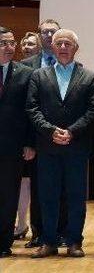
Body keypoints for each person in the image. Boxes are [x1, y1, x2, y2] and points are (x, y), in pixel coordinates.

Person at [26, 29, 94, 258]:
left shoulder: (89, 77)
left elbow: (93, 110)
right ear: (53, 48)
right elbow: (32, 107)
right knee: (48, 195)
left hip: (76, 146)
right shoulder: (39, 75)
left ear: (76, 48)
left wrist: (72, 132)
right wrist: (50, 130)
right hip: (48, 146)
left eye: (68, 43)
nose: (64, 47)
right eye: (60, 43)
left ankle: (74, 241)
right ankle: (48, 241)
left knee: (76, 195)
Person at [21, 19, 63, 249]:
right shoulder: (26, 65)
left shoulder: (69, 62)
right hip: (37, 136)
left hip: (65, 136)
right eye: (44, 32)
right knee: (39, 188)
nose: (48, 35)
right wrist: (28, 141)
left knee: (63, 188)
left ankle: (63, 232)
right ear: (39, 36)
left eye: (52, 32)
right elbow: (25, 107)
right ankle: (39, 233)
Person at [0, 27, 35, 257]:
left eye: (12, 43)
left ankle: (3, 243)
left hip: (12, 146)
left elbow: (30, 111)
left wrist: (30, 142)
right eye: (4, 43)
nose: (10, 47)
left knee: (8, 194)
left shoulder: (25, 72)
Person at [14, 32, 41, 240]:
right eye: (25, 43)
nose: (27, 46)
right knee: (23, 181)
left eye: (32, 43)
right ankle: (20, 225)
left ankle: (39, 230)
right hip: (24, 135)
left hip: (47, 135)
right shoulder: (20, 68)